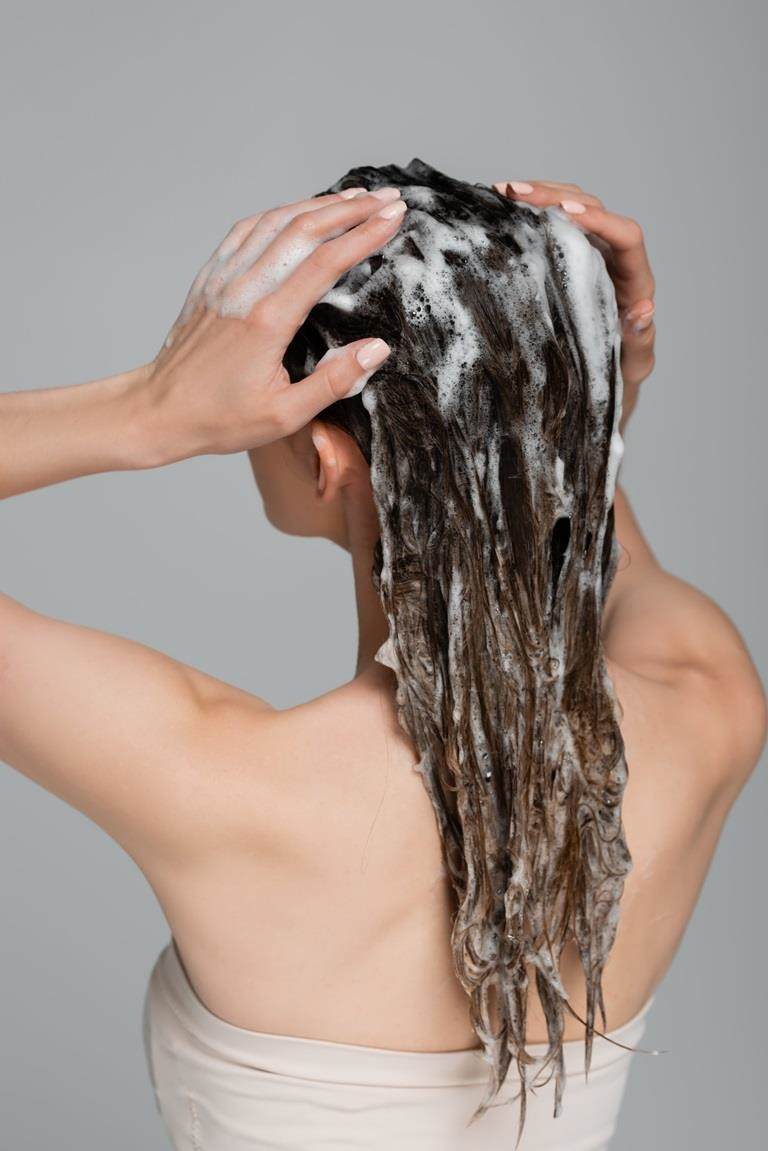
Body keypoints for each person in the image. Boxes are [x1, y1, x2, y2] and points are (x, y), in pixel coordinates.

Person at [0, 166, 764, 1151]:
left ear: (323, 460)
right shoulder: (711, 696)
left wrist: (150, 407)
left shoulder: (218, 779)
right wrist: (572, 380)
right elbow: (569, 513)